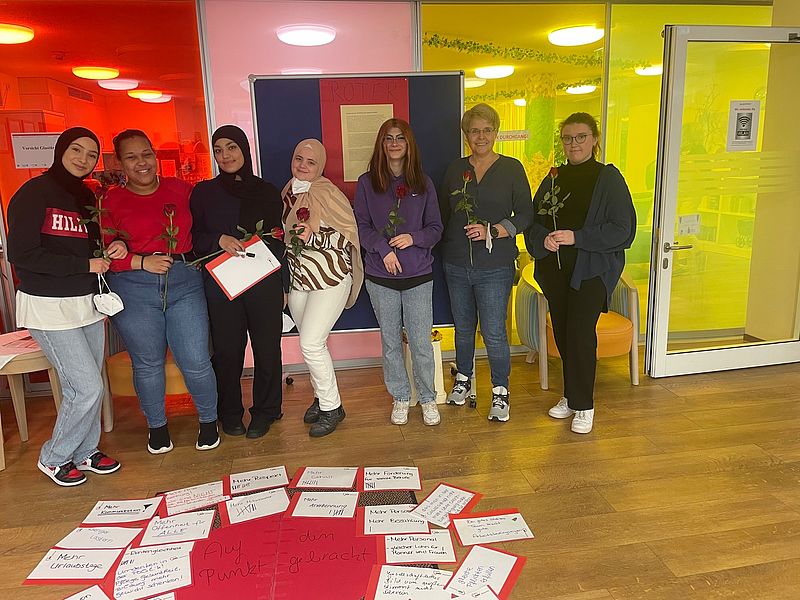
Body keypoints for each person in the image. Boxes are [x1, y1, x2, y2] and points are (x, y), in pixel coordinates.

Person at [7, 127, 126, 486]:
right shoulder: (33, 193)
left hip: (86, 302)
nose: (83, 159)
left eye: (91, 154)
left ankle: (86, 451)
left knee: (92, 384)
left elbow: (91, 245)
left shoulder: (86, 196)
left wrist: (112, 246)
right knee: (86, 386)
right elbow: (21, 254)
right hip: (47, 306)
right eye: (77, 150)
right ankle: (55, 456)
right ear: (60, 150)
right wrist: (83, 266)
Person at [104, 129, 219, 453]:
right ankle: (157, 428)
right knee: (147, 362)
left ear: (155, 156)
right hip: (133, 288)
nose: (142, 162)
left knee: (195, 359)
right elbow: (104, 251)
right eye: (131, 157)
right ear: (120, 163)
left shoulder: (182, 190)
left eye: (146, 154)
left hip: (184, 281)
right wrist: (139, 261)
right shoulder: (110, 200)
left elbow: (206, 227)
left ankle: (209, 421)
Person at [524, 112, 636, 434]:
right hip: (555, 271)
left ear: (595, 140)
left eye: (581, 137)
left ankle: (585, 405)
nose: (574, 143)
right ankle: (570, 397)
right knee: (561, 333)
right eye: (568, 138)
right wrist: (542, 238)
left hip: (590, 272)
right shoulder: (553, 178)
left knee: (580, 334)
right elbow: (534, 221)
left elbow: (623, 230)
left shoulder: (608, 179)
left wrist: (577, 237)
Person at [190, 125, 287, 439]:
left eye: (231, 147)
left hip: (263, 282)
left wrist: (283, 285)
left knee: (267, 349)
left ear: (244, 149)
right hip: (223, 285)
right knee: (228, 351)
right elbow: (194, 239)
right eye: (218, 150)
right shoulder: (204, 192)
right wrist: (219, 238)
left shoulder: (267, 191)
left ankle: (267, 411)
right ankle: (229, 412)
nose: (225, 155)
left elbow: (278, 239)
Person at [440, 103, 533, 422]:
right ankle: (463, 380)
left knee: (493, 332)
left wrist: (494, 230)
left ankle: (500, 391)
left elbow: (526, 215)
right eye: (474, 130)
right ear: (466, 135)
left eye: (487, 130)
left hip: (494, 266)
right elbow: (442, 214)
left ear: (496, 132)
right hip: (455, 263)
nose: (481, 136)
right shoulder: (454, 169)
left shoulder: (511, 168)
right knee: (463, 329)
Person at [354, 118, 443, 426]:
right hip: (381, 277)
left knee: (420, 342)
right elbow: (361, 228)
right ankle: (401, 396)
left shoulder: (424, 183)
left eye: (400, 138)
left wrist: (413, 238)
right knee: (391, 342)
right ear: (381, 144)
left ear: (409, 145)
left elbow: (435, 229)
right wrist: (384, 248)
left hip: (418, 275)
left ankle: (428, 398)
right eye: (388, 138)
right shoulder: (367, 183)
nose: (394, 143)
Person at [282, 139, 363, 438]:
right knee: (311, 343)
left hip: (329, 278)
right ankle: (321, 396)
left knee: (311, 343)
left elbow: (347, 237)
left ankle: (332, 408)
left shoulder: (328, 192)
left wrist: (311, 235)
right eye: (298, 158)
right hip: (301, 279)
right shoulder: (289, 191)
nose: (303, 165)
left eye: (310, 162)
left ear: (321, 166)